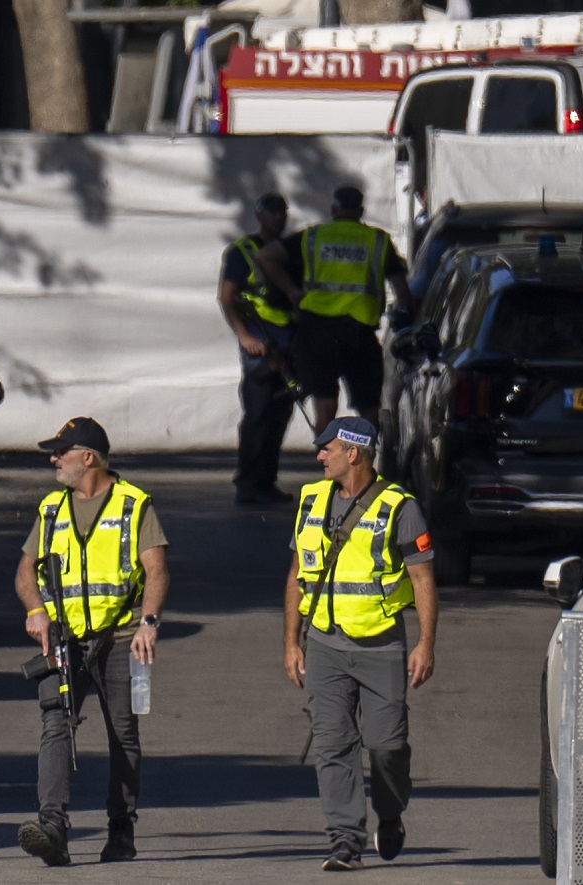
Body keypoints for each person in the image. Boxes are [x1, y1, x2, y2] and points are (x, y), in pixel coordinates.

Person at [282, 416, 437, 871]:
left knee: (387, 746)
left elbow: (422, 578)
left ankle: (390, 815)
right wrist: (291, 642)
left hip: (380, 645)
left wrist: (426, 643)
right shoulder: (311, 500)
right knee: (333, 745)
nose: (319, 456)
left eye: (326, 449)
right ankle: (344, 841)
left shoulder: (399, 507)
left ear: (354, 453)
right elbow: (295, 575)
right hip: (325, 645)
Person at [14, 416, 171, 866]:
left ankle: (121, 830)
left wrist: (149, 623)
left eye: (61, 452)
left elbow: (156, 569)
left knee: (123, 733)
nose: (53, 459)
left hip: (121, 637)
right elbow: (26, 571)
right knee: (55, 722)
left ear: (88, 457)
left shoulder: (133, 505)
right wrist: (36, 611)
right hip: (65, 641)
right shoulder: (51, 509)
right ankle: (52, 826)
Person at [256, 185, 409, 438]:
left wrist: (291, 290)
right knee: (369, 408)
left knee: (325, 404)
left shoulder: (314, 236)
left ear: (334, 209)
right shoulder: (378, 240)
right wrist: (404, 318)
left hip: (317, 332)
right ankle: (363, 467)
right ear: (360, 210)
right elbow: (401, 289)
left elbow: (265, 256)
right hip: (359, 334)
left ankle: (328, 467)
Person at [218, 192, 300, 505]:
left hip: (288, 342)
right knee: (257, 414)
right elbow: (226, 297)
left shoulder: (290, 250)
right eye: (272, 212)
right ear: (260, 216)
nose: (278, 218)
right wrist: (244, 336)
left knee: (280, 414)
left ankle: (267, 481)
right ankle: (248, 483)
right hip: (259, 341)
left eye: (282, 212)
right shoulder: (242, 252)